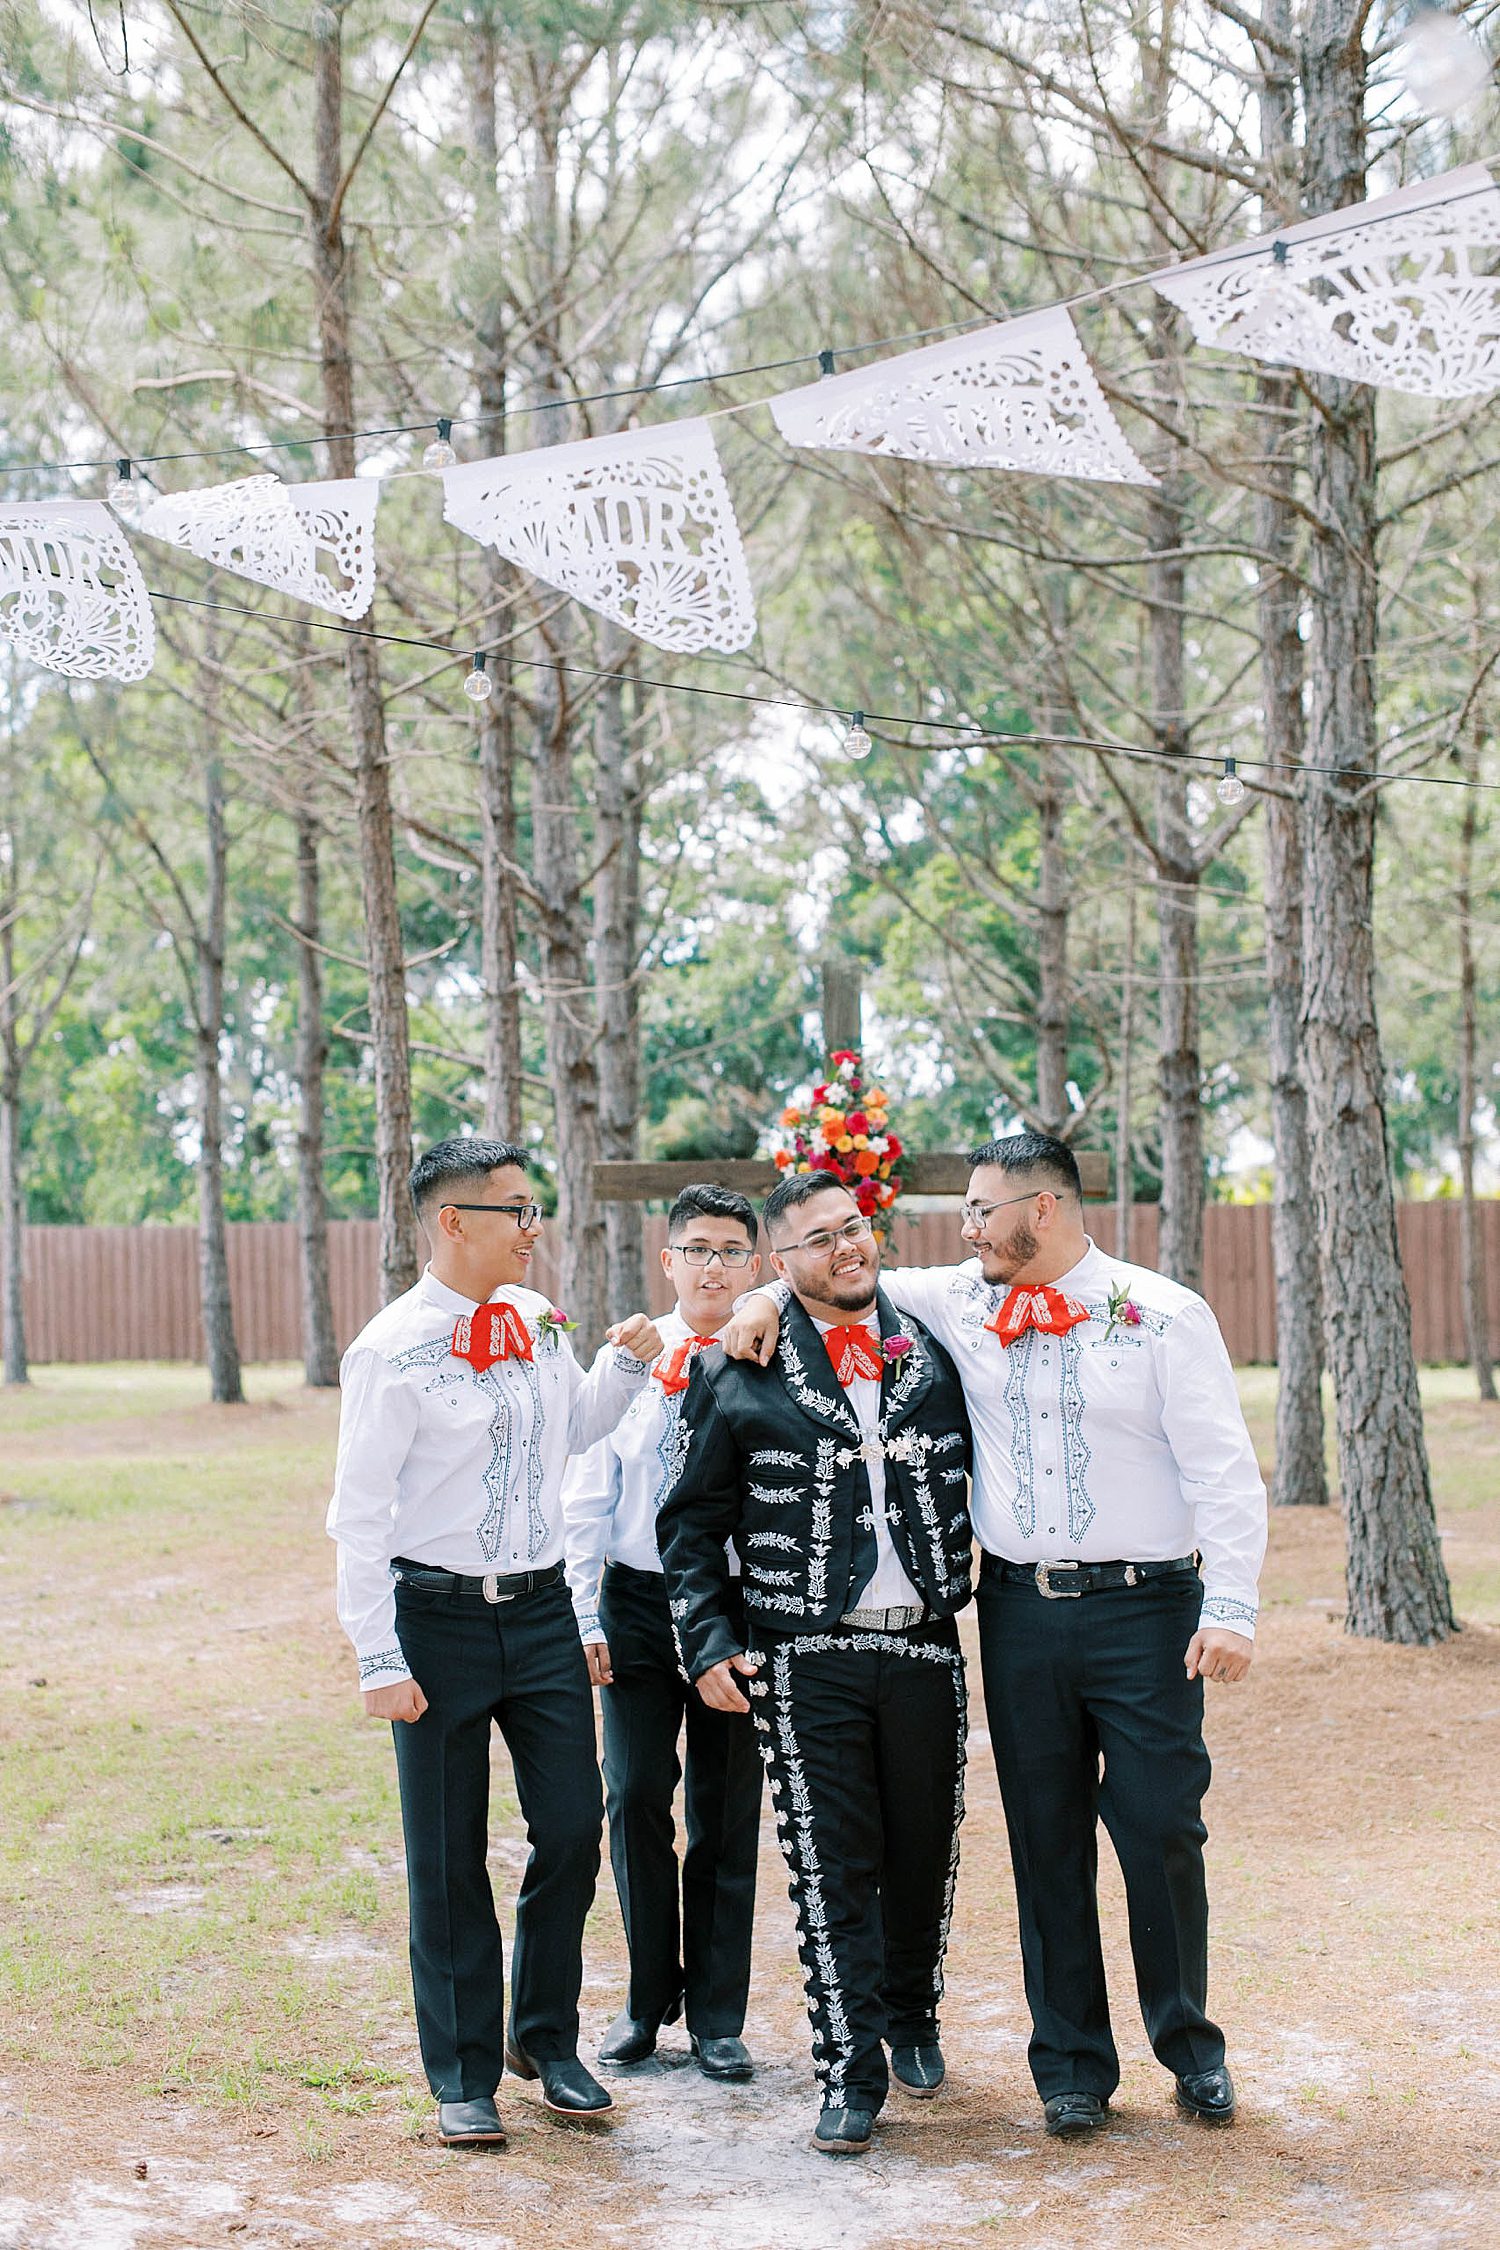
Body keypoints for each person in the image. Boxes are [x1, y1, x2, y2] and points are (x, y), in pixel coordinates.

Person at [722, 1131, 1266, 2139]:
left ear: (1043, 1208)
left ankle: (1189, 2045)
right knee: (1045, 1836)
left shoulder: (1160, 1314)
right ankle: (1070, 2067)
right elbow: (839, 1279)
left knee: (1159, 1829)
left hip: (1149, 1611)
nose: (966, 1228)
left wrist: (1229, 1606)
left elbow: (1223, 1472)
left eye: (981, 1210)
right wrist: (759, 1297)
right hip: (1018, 1613)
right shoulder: (958, 1299)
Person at [326, 1135, 662, 2150]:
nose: (533, 1226)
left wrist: (621, 1365)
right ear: (453, 1223)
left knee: (570, 1826)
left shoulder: (533, 1319)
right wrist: (379, 1658)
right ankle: (463, 2073)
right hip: (434, 1621)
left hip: (541, 1611)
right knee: (447, 1854)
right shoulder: (390, 1351)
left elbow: (573, 1430)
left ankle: (543, 2036)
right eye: (514, 1209)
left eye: (533, 1206)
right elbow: (358, 1518)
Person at [656, 1169, 974, 2158]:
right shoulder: (737, 1366)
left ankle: (913, 2008)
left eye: (854, 1227)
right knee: (829, 1862)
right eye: (820, 1240)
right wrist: (708, 1640)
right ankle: (849, 2066)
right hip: (804, 1653)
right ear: (782, 1267)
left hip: (923, 1640)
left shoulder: (935, 1343)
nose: (848, 1248)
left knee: (925, 1847)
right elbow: (690, 1526)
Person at [562, 1185, 766, 2085]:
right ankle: (649, 1997)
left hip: (736, 1608)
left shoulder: (772, 1354)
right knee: (635, 1792)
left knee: (725, 1808)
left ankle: (718, 2012)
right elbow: (586, 1481)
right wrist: (582, 1605)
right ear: (669, 1260)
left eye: (731, 1249)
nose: (714, 1265)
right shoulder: (636, 1356)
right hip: (637, 1600)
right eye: (698, 1249)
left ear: (755, 1264)